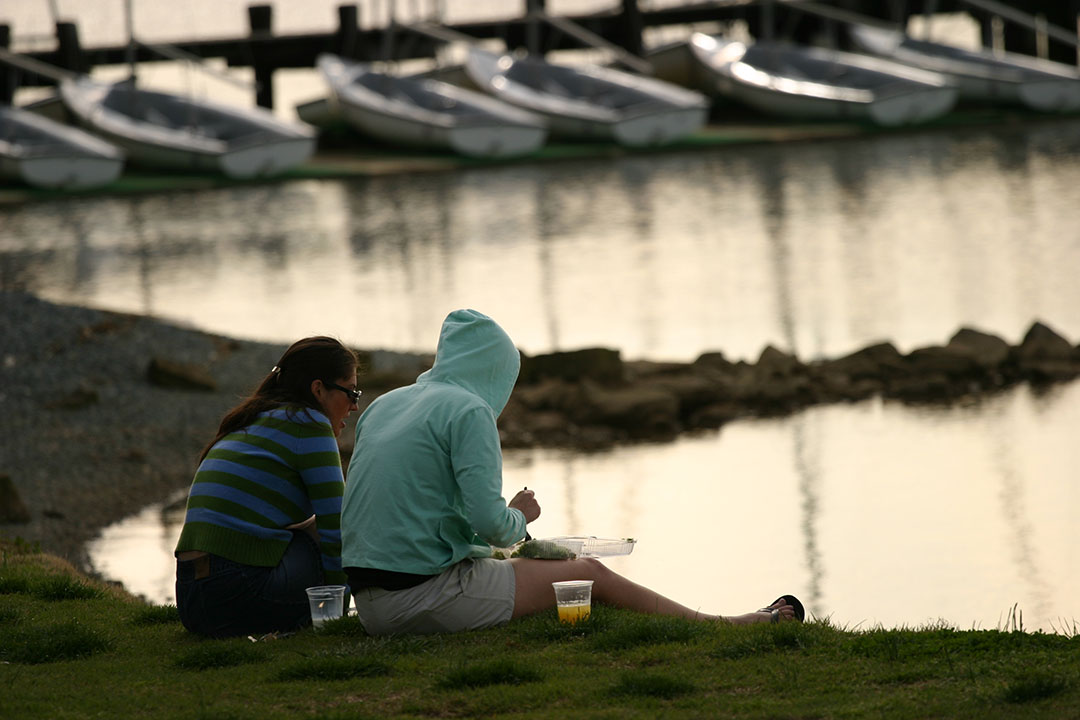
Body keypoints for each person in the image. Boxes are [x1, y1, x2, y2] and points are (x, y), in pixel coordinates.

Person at [340, 309, 802, 636]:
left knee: (547, 566)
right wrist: (519, 516)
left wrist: (486, 544)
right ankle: (731, 627)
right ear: (497, 372)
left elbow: (413, 508)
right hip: (421, 602)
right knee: (589, 573)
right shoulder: (469, 410)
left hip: (369, 604)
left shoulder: (386, 405)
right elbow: (493, 526)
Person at [174, 336, 361, 638]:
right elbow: (338, 529)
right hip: (236, 595)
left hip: (192, 601)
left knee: (305, 529)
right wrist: (337, 608)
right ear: (318, 389)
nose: (354, 406)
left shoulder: (253, 419)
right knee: (335, 525)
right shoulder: (310, 424)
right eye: (351, 392)